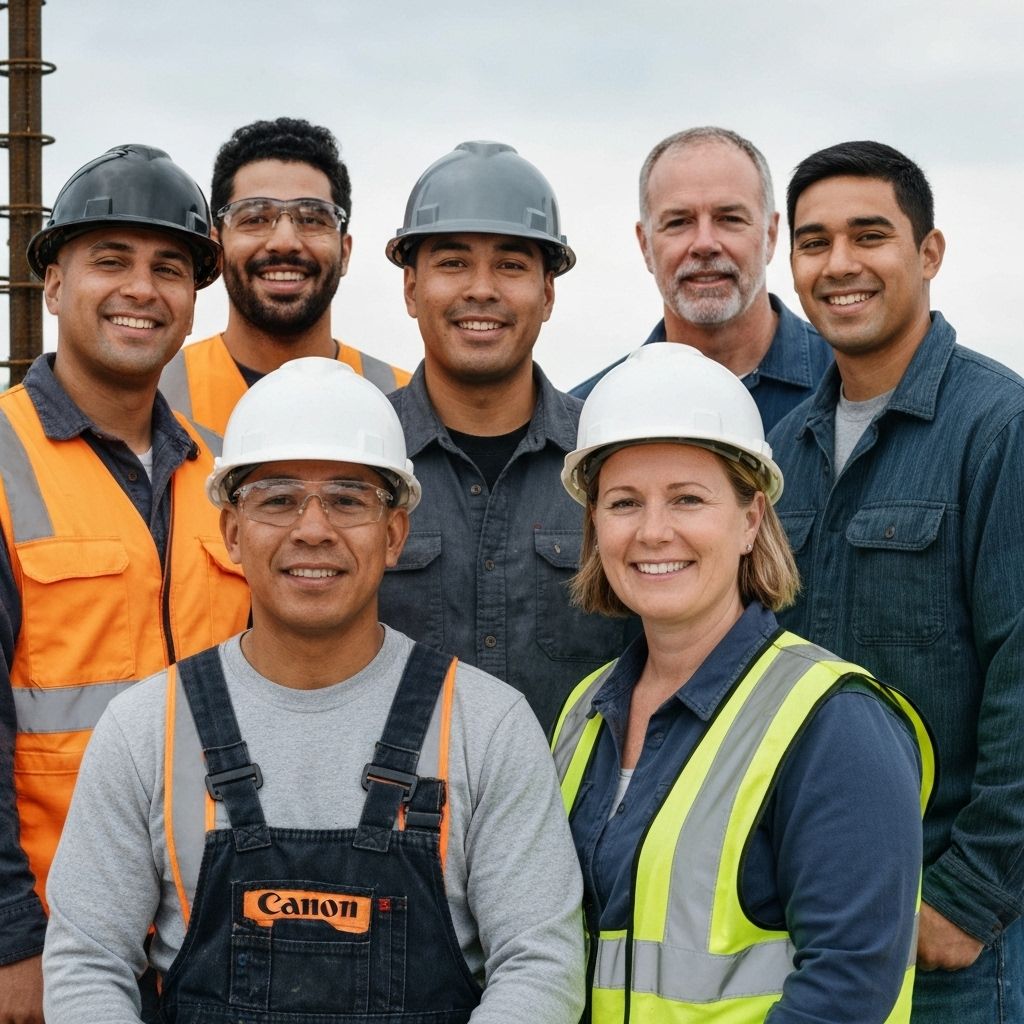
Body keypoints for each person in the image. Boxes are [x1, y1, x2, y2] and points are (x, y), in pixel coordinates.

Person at [42, 357, 584, 1023]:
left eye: (349, 499)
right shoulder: (148, 728)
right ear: (233, 533)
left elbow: (540, 964)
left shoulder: (486, 725)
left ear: (394, 534)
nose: (313, 529)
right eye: (278, 499)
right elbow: (87, 964)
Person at [552, 342, 933, 1022]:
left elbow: (849, 990)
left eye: (688, 499)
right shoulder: (583, 715)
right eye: (623, 503)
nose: (653, 531)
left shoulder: (833, 723)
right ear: (595, 525)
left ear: (751, 519)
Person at [768, 140, 1024, 1023]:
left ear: (928, 252)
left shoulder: (1000, 427)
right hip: (807, 921)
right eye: (812, 242)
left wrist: (970, 896)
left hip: (950, 937)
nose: (839, 265)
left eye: (868, 235)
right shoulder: (782, 451)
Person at [0, 145, 251, 1024]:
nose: (142, 289)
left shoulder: (224, 477)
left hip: (215, 941)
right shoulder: (2, 462)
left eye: (169, 269)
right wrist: (12, 942)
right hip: (58, 941)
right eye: (110, 261)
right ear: (54, 285)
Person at [381, 140, 633, 733]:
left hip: (577, 820)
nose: (482, 289)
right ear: (411, 289)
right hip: (389, 821)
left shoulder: (611, 459)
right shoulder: (360, 460)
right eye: (452, 262)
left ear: (547, 293)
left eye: (512, 265)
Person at [160, 117, 409, 449]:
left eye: (311, 219)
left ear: (344, 251)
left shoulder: (401, 405)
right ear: (217, 248)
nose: (284, 241)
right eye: (255, 218)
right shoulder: (155, 396)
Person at [570, 127, 831, 432]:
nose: (705, 244)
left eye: (729, 218)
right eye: (679, 222)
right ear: (645, 245)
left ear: (771, 235)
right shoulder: (590, 421)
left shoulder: (848, 384)